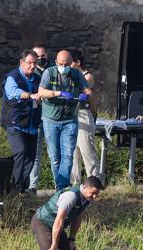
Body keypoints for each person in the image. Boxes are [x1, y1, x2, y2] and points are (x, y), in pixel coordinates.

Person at [37, 50, 93, 191]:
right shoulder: (49, 73)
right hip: (51, 119)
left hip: (70, 119)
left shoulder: (76, 74)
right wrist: (58, 93)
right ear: (56, 63)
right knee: (55, 156)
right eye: (61, 64)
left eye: (67, 64)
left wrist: (85, 95)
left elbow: (88, 90)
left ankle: (62, 187)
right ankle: (59, 186)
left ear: (71, 64)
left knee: (68, 155)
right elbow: (41, 92)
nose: (64, 67)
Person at [0, 49, 42, 193]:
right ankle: (13, 186)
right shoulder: (13, 77)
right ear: (22, 62)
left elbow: (43, 93)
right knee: (21, 152)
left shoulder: (37, 79)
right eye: (30, 63)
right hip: (15, 123)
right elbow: (13, 93)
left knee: (31, 156)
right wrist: (31, 95)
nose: (32, 66)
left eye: (35, 64)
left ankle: (21, 188)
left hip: (32, 124)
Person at [69, 48, 99, 185]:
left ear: (77, 62)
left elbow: (84, 89)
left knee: (87, 149)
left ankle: (94, 180)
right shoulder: (69, 76)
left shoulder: (87, 76)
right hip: (71, 115)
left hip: (83, 114)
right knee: (73, 152)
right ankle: (75, 184)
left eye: (70, 63)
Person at [27, 42, 51, 194]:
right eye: (37, 56)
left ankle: (61, 186)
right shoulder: (29, 74)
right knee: (35, 154)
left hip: (51, 117)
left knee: (55, 152)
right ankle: (32, 186)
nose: (40, 58)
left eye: (43, 55)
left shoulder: (53, 71)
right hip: (36, 118)